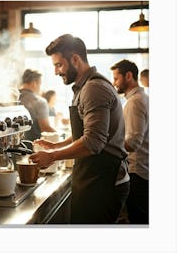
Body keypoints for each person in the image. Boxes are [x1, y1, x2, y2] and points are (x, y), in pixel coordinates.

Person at [29, 34, 130, 224]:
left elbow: (93, 142)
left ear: (75, 59)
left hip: (104, 181)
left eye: (59, 65)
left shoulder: (94, 89)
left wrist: (52, 156)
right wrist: (56, 145)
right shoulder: (84, 87)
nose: (56, 71)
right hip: (96, 177)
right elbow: (85, 132)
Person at [110, 59, 149, 224]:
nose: (114, 83)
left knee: (138, 220)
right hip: (141, 169)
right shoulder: (142, 98)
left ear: (128, 76)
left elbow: (133, 142)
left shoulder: (135, 102)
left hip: (137, 171)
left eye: (116, 78)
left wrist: (108, 145)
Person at [19, 69, 56, 145]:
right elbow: (45, 128)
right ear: (34, 84)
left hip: (13, 148)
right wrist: (61, 136)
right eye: (40, 84)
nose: (40, 87)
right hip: (33, 147)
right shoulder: (39, 101)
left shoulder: (12, 98)